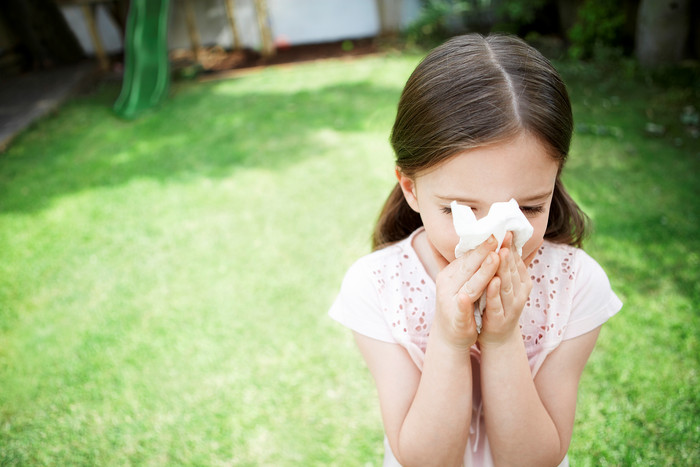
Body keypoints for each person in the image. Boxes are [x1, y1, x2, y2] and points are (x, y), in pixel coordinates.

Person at [328, 33, 622, 467]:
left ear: (554, 182)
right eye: (461, 210)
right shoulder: (377, 287)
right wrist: (449, 339)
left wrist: (503, 341)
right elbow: (425, 459)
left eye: (528, 207)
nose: (496, 238)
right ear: (410, 188)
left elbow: (534, 459)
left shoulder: (575, 285)